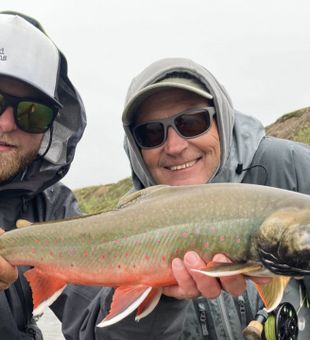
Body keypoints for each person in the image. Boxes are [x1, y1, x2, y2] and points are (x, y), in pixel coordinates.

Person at [121, 57, 310, 339]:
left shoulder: (292, 166)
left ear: (220, 120)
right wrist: (163, 300)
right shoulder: (119, 224)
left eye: (191, 122)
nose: (175, 146)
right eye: (151, 133)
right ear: (136, 148)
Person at [0, 11, 86, 339]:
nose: (7, 123)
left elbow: (96, 323)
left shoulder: (55, 210)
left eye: (32, 113)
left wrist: (161, 294)